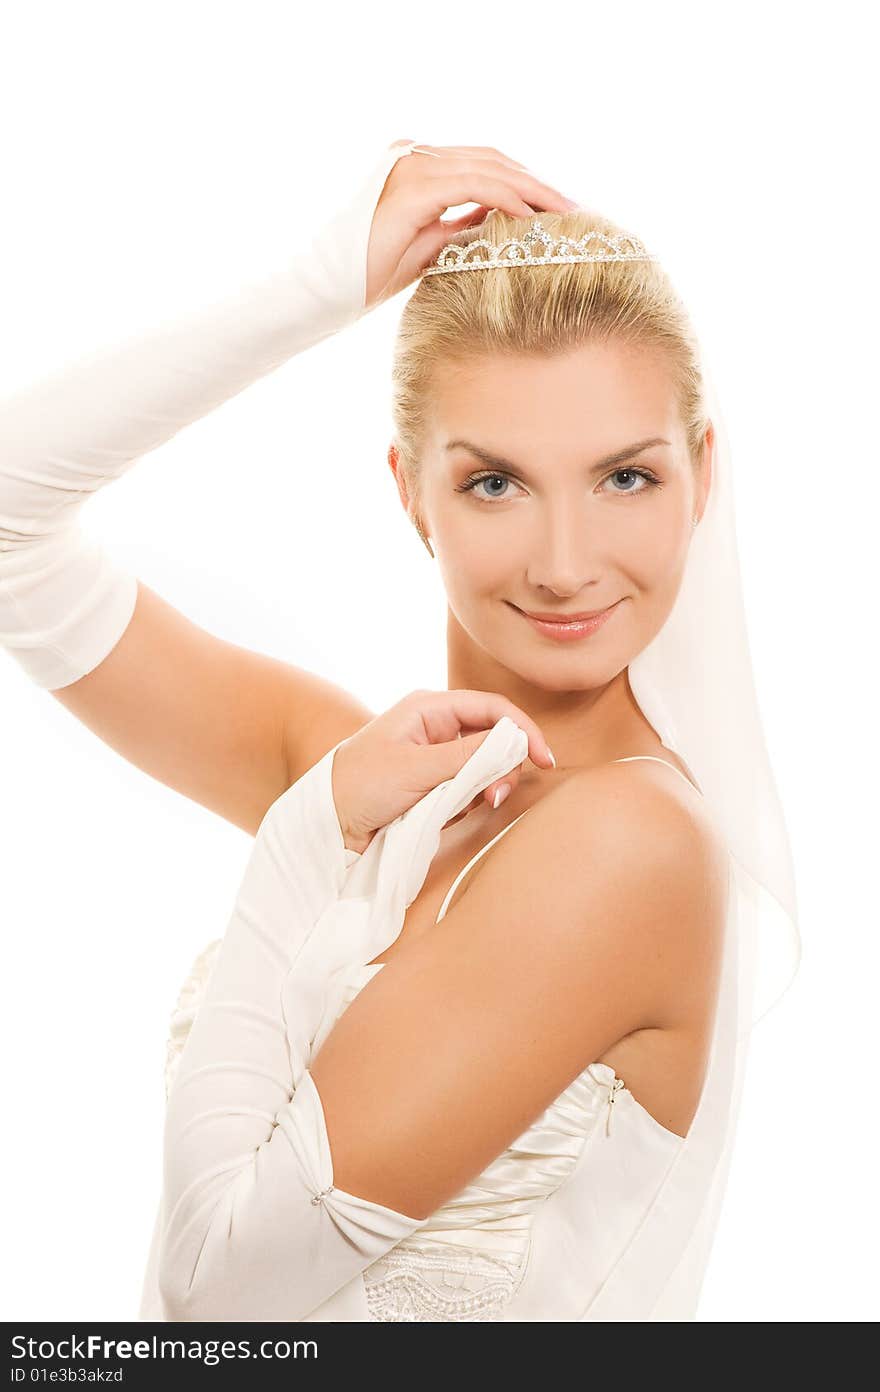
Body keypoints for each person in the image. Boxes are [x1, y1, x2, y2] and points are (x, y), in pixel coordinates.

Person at [0, 140, 800, 1321]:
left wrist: (301, 831)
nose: (566, 564)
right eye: (494, 483)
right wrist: (319, 284)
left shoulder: (628, 843)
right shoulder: (380, 781)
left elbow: (214, 1296)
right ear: (406, 490)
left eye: (624, 478)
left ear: (701, 476)